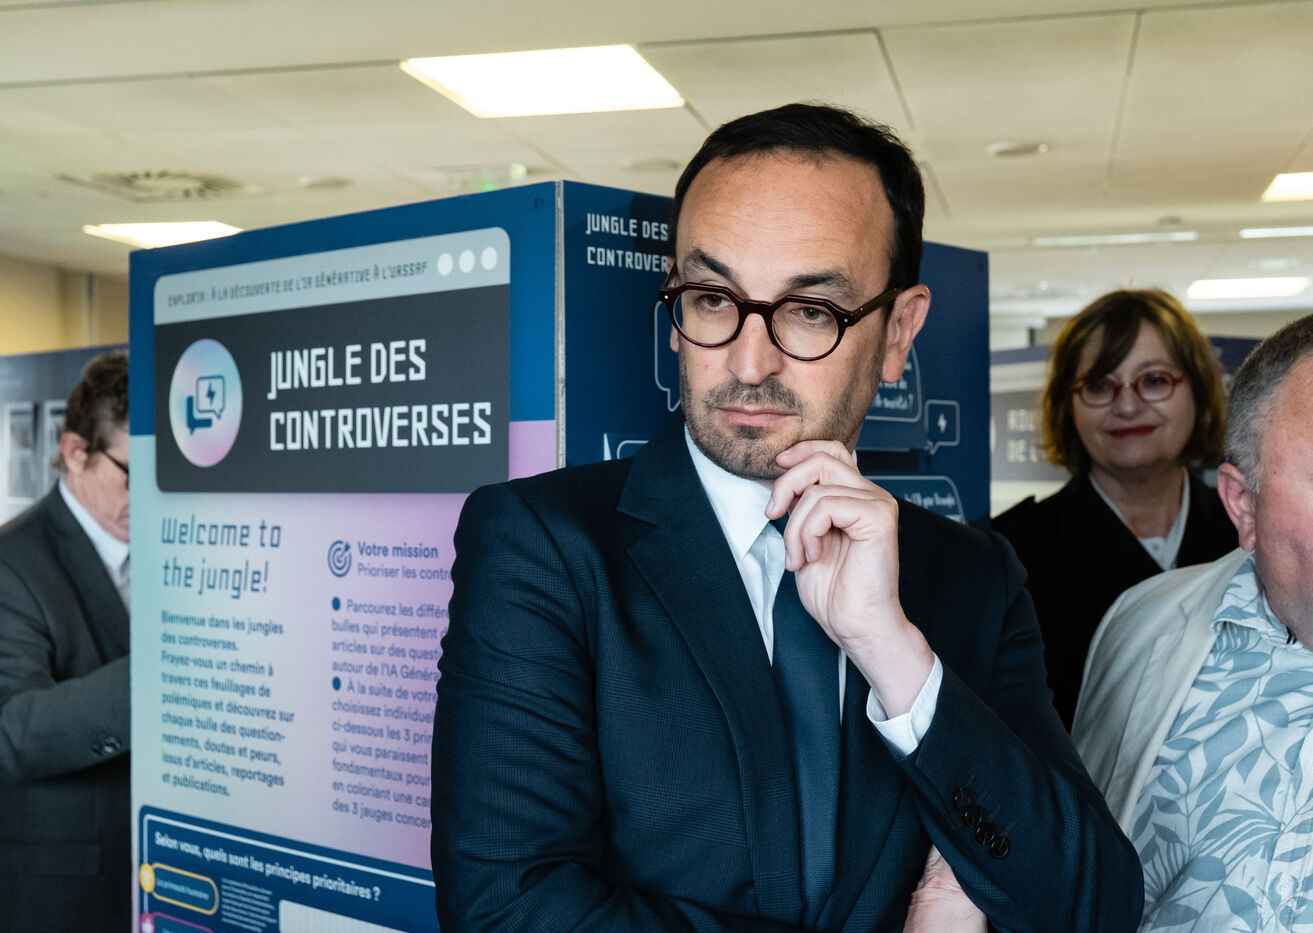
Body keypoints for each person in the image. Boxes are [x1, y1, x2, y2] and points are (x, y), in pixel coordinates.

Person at [432, 103, 1141, 932]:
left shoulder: (969, 575)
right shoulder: (545, 546)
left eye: (810, 311)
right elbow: (505, 910)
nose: (748, 361)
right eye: (712, 298)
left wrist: (894, 651)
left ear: (899, 331)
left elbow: (1093, 906)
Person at [1074, 309, 1313, 931]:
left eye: (1154, 379)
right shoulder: (1142, 623)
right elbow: (1077, 872)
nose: (1128, 403)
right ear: (1244, 505)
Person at [992, 289, 1236, 728]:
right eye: (1099, 386)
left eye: (1154, 380)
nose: (1126, 405)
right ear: (1067, 405)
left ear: (1199, 391)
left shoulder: (1250, 536)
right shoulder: (1008, 555)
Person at [0, 350, 131, 932]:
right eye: (133, 473)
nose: (155, 494)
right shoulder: (0, 568)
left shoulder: (177, 551)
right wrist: (169, 671)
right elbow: (5, 734)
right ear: (76, 451)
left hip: (158, 883)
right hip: (46, 898)